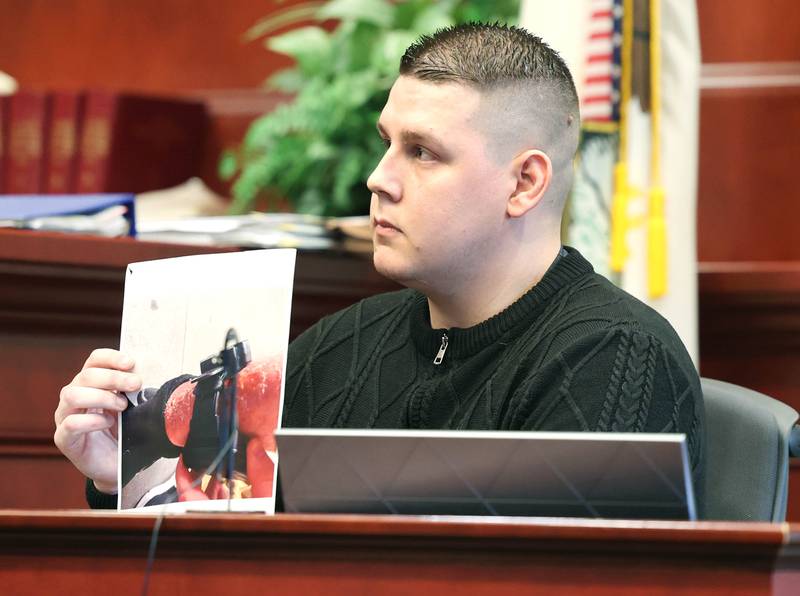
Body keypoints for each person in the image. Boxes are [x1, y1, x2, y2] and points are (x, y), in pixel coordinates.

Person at [54, 23, 705, 513]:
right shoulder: (339, 348)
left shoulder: (615, 357)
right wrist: (120, 474)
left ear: (524, 183)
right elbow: (231, 554)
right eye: (386, 144)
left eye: (422, 152)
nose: (378, 179)